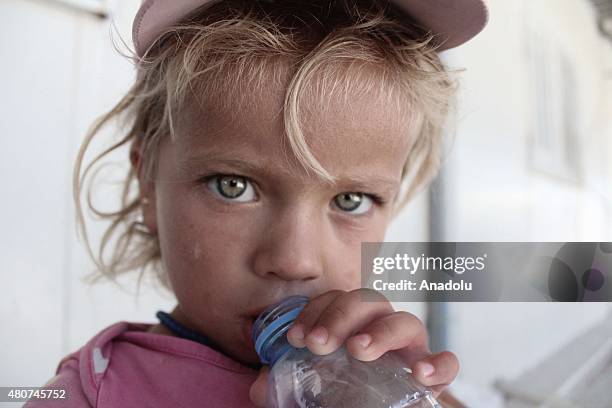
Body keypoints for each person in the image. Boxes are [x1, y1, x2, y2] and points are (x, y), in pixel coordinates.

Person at [26, 0, 488, 406]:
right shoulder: (92, 392)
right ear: (147, 183)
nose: (294, 261)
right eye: (233, 186)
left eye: (350, 200)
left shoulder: (375, 379)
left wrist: (406, 391)